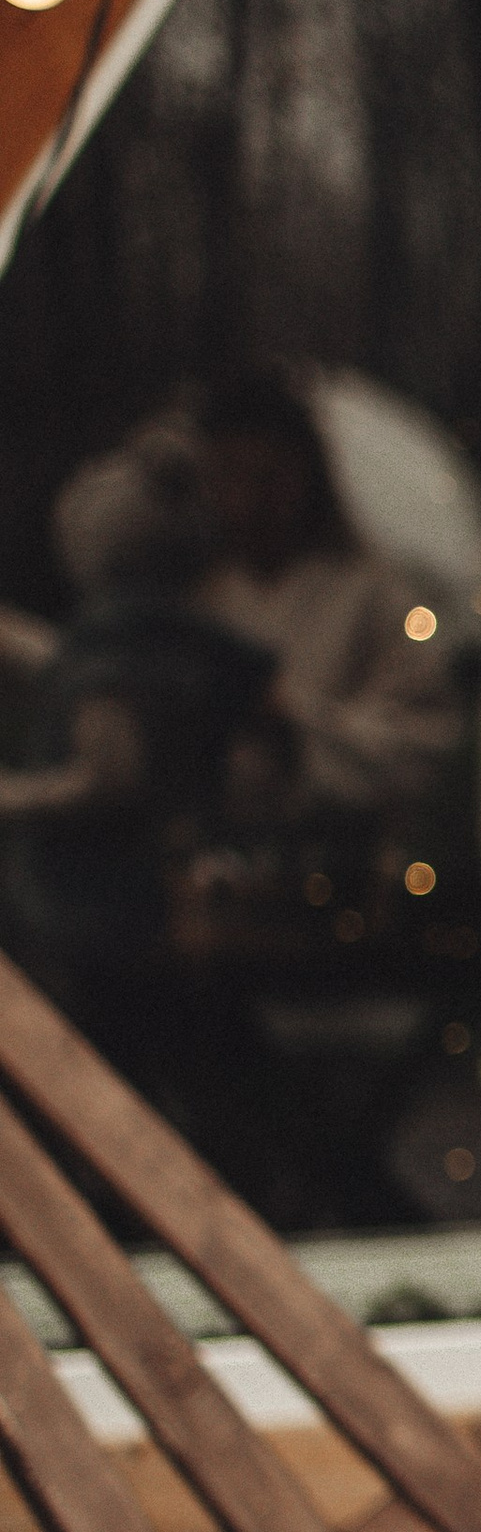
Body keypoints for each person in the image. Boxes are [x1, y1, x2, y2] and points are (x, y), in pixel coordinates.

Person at [0, 436, 283, 1146]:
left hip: (100, 901)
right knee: (186, 1054)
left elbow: (109, 770)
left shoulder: (112, 650)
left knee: (102, 1061)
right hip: (193, 886)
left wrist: (12, 796)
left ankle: (97, 1178)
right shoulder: (192, 642)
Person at [195, 372, 461, 823]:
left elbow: (421, 741)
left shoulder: (375, 593)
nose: (246, 502)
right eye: (230, 475)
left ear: (309, 476)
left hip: (335, 860)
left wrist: (293, 719)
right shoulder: (198, 597)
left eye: (269, 478)